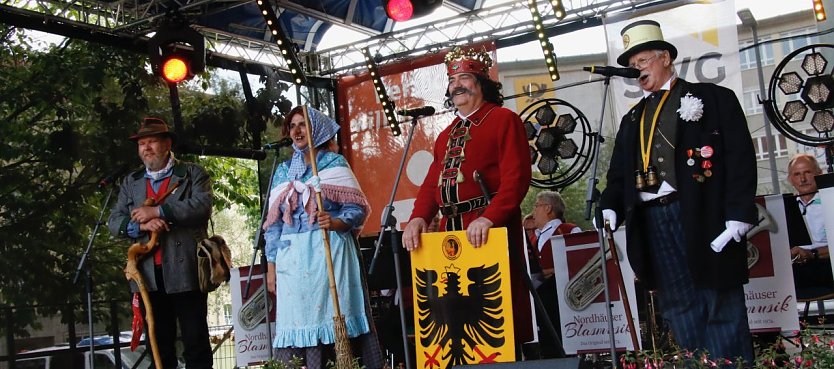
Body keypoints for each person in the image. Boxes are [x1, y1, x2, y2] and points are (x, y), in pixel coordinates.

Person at [598, 20, 757, 364]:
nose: (636, 70)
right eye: (632, 65)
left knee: (719, 301)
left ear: (666, 58)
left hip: (701, 211)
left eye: (643, 61)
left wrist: (740, 212)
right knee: (679, 305)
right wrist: (610, 204)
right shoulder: (631, 119)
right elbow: (618, 174)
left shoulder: (713, 98)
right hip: (653, 219)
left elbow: (740, 157)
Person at [402, 46, 534, 347]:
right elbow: (431, 185)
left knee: (496, 311)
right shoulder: (445, 135)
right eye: (452, 80)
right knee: (455, 315)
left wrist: (490, 218)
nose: (457, 84)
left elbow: (517, 179)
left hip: (488, 227)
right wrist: (418, 218)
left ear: (481, 83)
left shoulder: (503, 120)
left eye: (464, 77)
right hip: (451, 231)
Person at [262, 106, 382, 369]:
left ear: (318, 129)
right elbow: (273, 225)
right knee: (299, 318)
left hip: (330, 249)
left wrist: (335, 221)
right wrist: (271, 266)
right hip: (292, 258)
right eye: (292, 126)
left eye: (302, 124)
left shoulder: (334, 164)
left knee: (333, 313)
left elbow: (357, 209)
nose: (296, 131)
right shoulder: (283, 172)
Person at [108, 117, 214, 369]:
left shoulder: (192, 173)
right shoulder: (131, 182)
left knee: (195, 340)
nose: (146, 148)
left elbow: (201, 207)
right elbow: (114, 221)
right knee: (158, 344)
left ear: (167, 144)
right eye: (141, 143)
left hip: (186, 270)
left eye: (152, 141)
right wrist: (141, 225)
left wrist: (159, 212)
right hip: (147, 276)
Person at [531, 191, 581, 358]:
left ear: (548, 208)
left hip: (562, 299)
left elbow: (581, 262)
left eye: (536, 206)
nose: (533, 212)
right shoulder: (533, 238)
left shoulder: (570, 230)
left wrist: (553, 270)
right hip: (539, 299)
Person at [787, 153, 832, 290]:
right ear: (790, 180)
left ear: (819, 174)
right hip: (796, 267)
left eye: (807, 172)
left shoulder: (830, 201)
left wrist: (812, 255)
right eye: (797, 174)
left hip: (826, 264)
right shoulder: (787, 207)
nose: (802, 179)